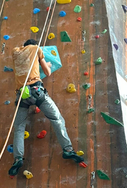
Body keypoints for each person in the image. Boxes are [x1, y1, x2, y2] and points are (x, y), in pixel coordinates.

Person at [8, 39, 84, 176]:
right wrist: (46, 64)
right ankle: (67, 150)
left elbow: (26, 66)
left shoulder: (15, 53)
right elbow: (47, 73)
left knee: (19, 128)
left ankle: (17, 158)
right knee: (57, 119)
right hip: (37, 91)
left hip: (21, 95)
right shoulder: (36, 49)